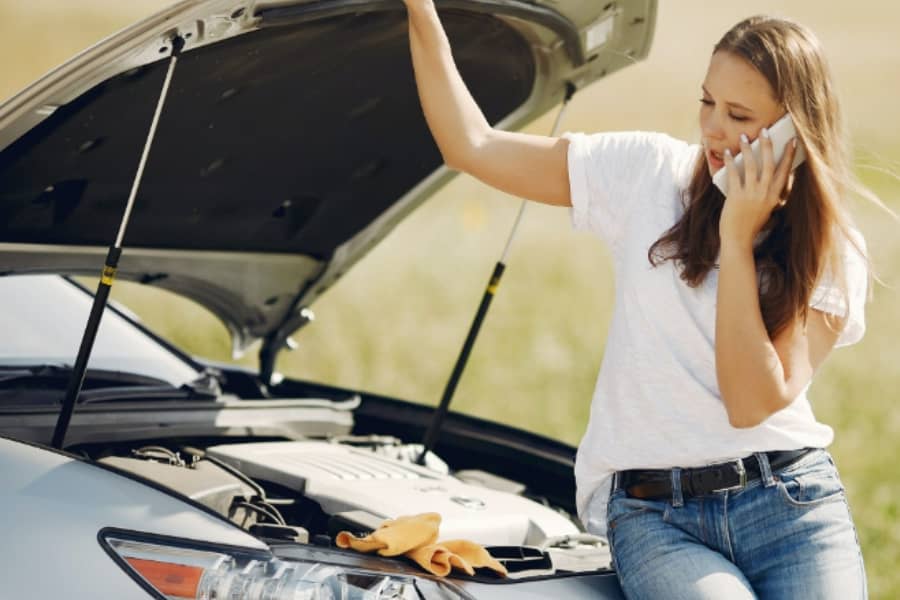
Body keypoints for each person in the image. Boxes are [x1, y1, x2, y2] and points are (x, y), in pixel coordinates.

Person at [400, 2, 871, 599]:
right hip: (657, 517)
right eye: (708, 103)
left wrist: (737, 237)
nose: (714, 130)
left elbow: (750, 402)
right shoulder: (649, 174)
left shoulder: (833, 247)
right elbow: (472, 145)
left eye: (740, 114)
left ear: (794, 133)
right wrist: (420, 10)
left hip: (790, 504)